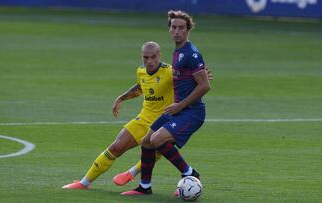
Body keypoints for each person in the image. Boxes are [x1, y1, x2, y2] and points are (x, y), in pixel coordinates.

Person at [62, 42, 212, 189]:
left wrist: (203, 75)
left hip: (164, 122)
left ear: (160, 55)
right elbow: (141, 86)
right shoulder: (141, 71)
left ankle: (135, 174)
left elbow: (191, 78)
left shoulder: (170, 72)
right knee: (116, 147)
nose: (149, 61)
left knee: (156, 148)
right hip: (144, 119)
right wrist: (121, 98)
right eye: (146, 57)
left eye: (153, 57)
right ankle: (84, 183)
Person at [121, 10, 210, 196]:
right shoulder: (178, 53)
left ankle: (190, 173)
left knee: (157, 139)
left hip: (192, 112)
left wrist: (180, 105)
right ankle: (145, 187)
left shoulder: (191, 54)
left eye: (181, 28)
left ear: (188, 30)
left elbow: (204, 86)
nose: (177, 31)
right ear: (169, 30)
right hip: (178, 109)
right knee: (146, 141)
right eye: (173, 27)